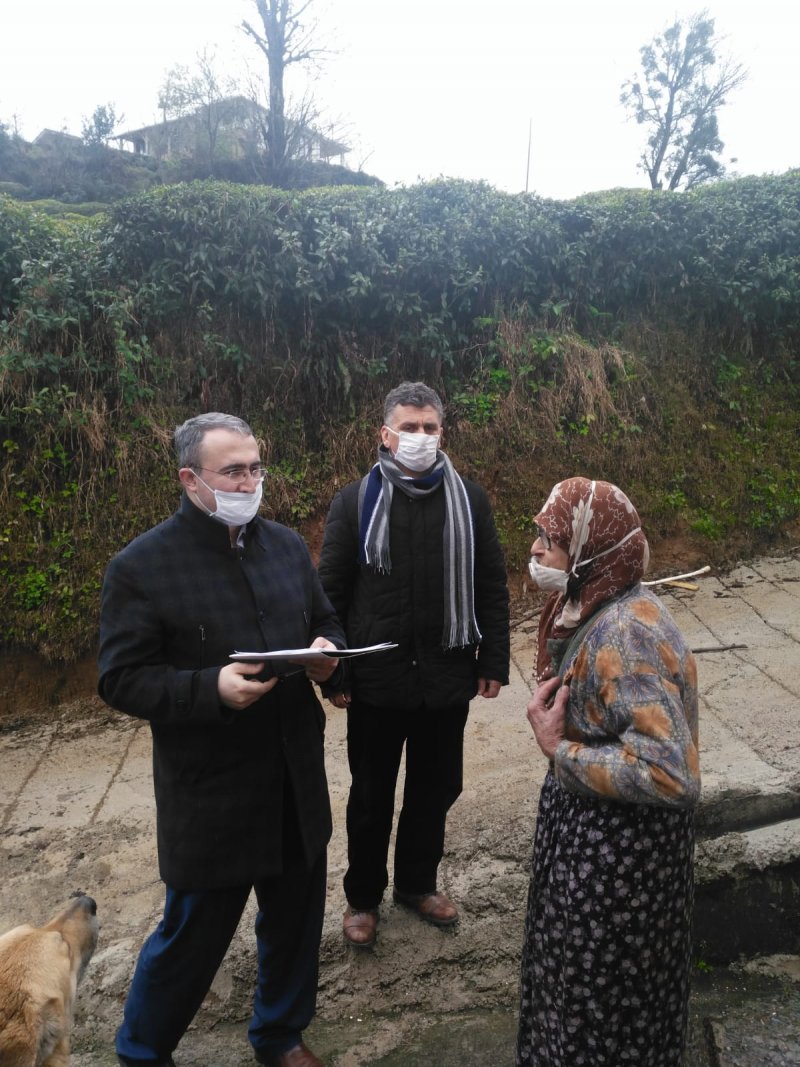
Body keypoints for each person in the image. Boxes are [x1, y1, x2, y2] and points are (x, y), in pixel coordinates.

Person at [97, 412, 345, 1067]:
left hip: (294, 777)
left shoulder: (286, 546)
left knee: (294, 923)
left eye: (255, 467)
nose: (249, 481)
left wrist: (330, 657)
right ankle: (143, 1051)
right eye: (233, 470)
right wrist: (210, 688)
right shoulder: (142, 567)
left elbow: (326, 620)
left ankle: (280, 1035)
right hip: (212, 792)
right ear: (191, 479)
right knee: (192, 937)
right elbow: (121, 678)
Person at [317, 381, 510, 948]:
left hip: (447, 676)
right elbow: (329, 596)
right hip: (376, 682)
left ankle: (417, 884)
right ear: (386, 434)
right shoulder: (355, 502)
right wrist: (336, 674)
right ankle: (362, 898)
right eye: (409, 427)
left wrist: (493, 658)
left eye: (429, 427)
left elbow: (491, 585)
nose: (420, 436)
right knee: (370, 796)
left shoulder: (469, 500)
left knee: (436, 788)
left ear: (442, 432)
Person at [516, 477, 701, 1067]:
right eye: (540, 533)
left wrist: (559, 751)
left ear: (590, 547)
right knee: (585, 995)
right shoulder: (596, 603)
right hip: (597, 844)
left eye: (551, 538)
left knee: (602, 1005)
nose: (536, 548)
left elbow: (671, 775)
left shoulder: (626, 634)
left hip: (618, 865)